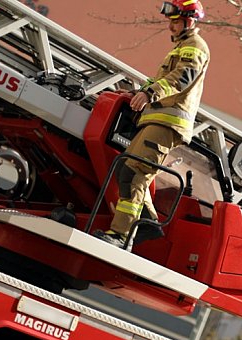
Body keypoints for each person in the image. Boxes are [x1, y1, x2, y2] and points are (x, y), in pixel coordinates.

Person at [95, 0, 209, 248]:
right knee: (124, 167)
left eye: (176, 21)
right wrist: (139, 92)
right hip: (156, 120)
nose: (171, 26)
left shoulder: (195, 46)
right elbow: (164, 78)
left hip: (168, 124)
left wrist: (150, 94)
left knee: (135, 172)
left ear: (190, 20)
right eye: (170, 21)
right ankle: (147, 223)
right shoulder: (181, 47)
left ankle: (121, 235)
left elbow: (181, 78)